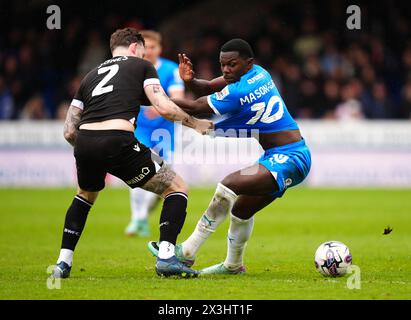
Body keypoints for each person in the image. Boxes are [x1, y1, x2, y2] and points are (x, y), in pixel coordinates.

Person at [53, 28, 213, 278]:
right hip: (118, 139)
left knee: (84, 196)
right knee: (177, 188)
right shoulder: (142, 67)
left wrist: (91, 150)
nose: (145, 53)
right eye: (143, 49)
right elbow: (164, 107)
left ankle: (63, 263)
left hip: (85, 143)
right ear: (134, 48)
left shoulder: (90, 76)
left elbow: (68, 131)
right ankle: (167, 257)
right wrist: (197, 124)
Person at [148, 39, 311, 274]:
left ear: (248, 62)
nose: (226, 70)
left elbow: (196, 106)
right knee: (241, 210)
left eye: (231, 65)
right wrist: (190, 81)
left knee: (228, 185)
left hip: (290, 156)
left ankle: (187, 251)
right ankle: (233, 266)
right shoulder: (258, 73)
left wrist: (155, 99)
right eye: (222, 65)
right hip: (281, 155)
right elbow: (205, 89)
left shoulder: (240, 90)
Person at [125, 30, 185, 237]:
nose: (149, 51)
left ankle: (140, 219)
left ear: (160, 49)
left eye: (153, 47)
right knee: (140, 172)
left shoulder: (171, 70)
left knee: (162, 179)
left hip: (164, 132)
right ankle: (138, 219)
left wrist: (161, 105)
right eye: (145, 47)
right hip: (138, 130)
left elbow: (178, 96)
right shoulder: (130, 69)